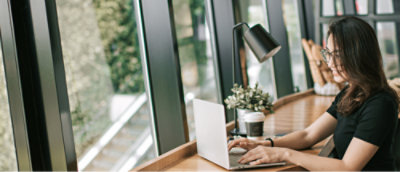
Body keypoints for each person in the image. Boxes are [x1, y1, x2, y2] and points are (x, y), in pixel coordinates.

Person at [228, 16, 399, 171]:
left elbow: (348, 168)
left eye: (337, 55)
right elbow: (308, 135)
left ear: (358, 55)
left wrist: (284, 154)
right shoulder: (350, 92)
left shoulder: (380, 103)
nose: (329, 63)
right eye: (328, 54)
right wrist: (265, 144)